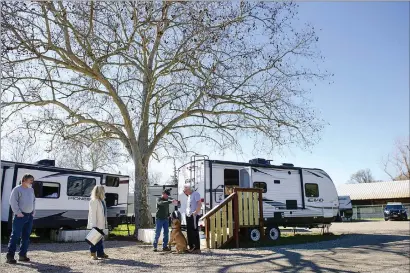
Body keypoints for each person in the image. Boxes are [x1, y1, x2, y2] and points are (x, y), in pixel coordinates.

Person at [6, 174, 36, 264]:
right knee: (15, 236)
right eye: (30, 180)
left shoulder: (31, 190)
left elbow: (34, 201)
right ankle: (10, 256)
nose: (32, 182)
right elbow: (12, 201)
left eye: (32, 180)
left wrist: (33, 211)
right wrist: (18, 213)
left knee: (26, 236)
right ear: (24, 180)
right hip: (20, 216)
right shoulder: (17, 189)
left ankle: (22, 255)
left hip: (29, 216)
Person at [87, 185, 109, 260]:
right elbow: (92, 214)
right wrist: (94, 225)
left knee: (99, 239)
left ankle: (100, 253)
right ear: (99, 192)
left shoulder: (102, 201)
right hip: (96, 224)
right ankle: (93, 254)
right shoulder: (94, 201)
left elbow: (103, 214)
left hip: (101, 224)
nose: (104, 192)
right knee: (94, 239)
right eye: (103, 191)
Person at [183, 184, 202, 254]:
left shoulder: (196, 194)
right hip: (188, 215)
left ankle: (196, 247)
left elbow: (199, 204)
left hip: (194, 215)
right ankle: (191, 247)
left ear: (188, 189)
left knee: (194, 231)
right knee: (189, 231)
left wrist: (196, 212)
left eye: (185, 190)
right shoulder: (189, 196)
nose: (185, 192)